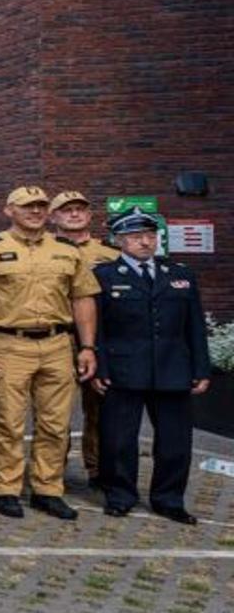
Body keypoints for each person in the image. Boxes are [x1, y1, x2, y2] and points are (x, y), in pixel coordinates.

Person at [0, 186, 100, 520]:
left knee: (56, 425)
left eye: (41, 205)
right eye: (28, 206)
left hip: (58, 344)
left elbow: (82, 299)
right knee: (10, 422)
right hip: (10, 344)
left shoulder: (67, 251)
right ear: (9, 210)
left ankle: (47, 489)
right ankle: (7, 489)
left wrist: (87, 347)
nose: (36, 211)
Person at [91, 208, 209, 524]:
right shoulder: (104, 276)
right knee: (118, 440)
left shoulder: (181, 275)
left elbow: (194, 326)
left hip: (173, 369)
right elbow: (96, 328)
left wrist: (201, 368)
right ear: (118, 241)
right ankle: (120, 495)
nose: (145, 242)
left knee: (175, 441)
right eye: (135, 237)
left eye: (150, 236)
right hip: (123, 369)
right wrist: (100, 367)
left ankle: (169, 499)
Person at [50, 190, 122, 489]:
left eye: (80, 209)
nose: (74, 214)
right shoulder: (43, 250)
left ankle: (97, 470)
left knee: (100, 409)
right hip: (60, 337)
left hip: (100, 340)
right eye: (67, 210)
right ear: (53, 217)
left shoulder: (110, 254)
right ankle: (53, 471)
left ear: (90, 216)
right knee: (56, 411)